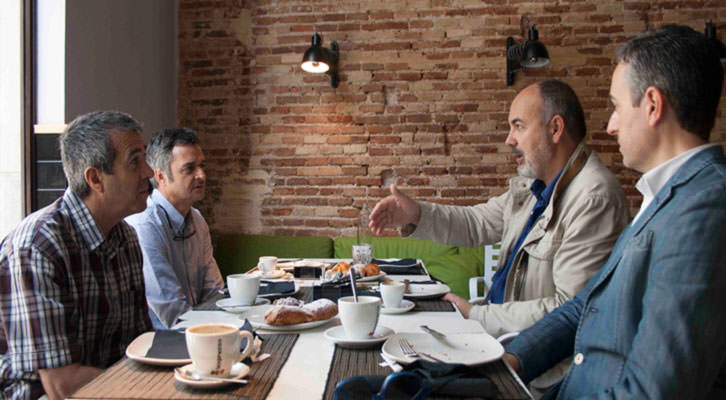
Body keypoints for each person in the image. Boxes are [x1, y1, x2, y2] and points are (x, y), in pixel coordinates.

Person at [503, 24, 726, 399]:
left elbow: (653, 391)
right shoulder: (667, 195)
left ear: (653, 106)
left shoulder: (704, 209)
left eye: (617, 106)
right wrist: (511, 359)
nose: (610, 125)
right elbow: (582, 308)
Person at [369, 79, 629, 393]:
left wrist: (474, 314)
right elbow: (474, 222)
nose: (509, 140)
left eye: (518, 126)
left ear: (555, 128)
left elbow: (570, 310)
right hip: (494, 342)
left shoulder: (593, 197)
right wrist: (416, 214)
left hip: (536, 373)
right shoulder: (537, 188)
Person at [0, 111, 154, 400]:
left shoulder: (126, 238)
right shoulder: (37, 245)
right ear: (95, 178)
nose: (148, 171)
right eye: (135, 161)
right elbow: (62, 385)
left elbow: (141, 345)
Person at [126, 128, 224, 329]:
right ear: (160, 176)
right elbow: (172, 311)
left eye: (201, 166)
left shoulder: (197, 219)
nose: (202, 175)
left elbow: (214, 293)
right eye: (189, 169)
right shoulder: (145, 224)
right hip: (161, 342)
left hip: (198, 331)